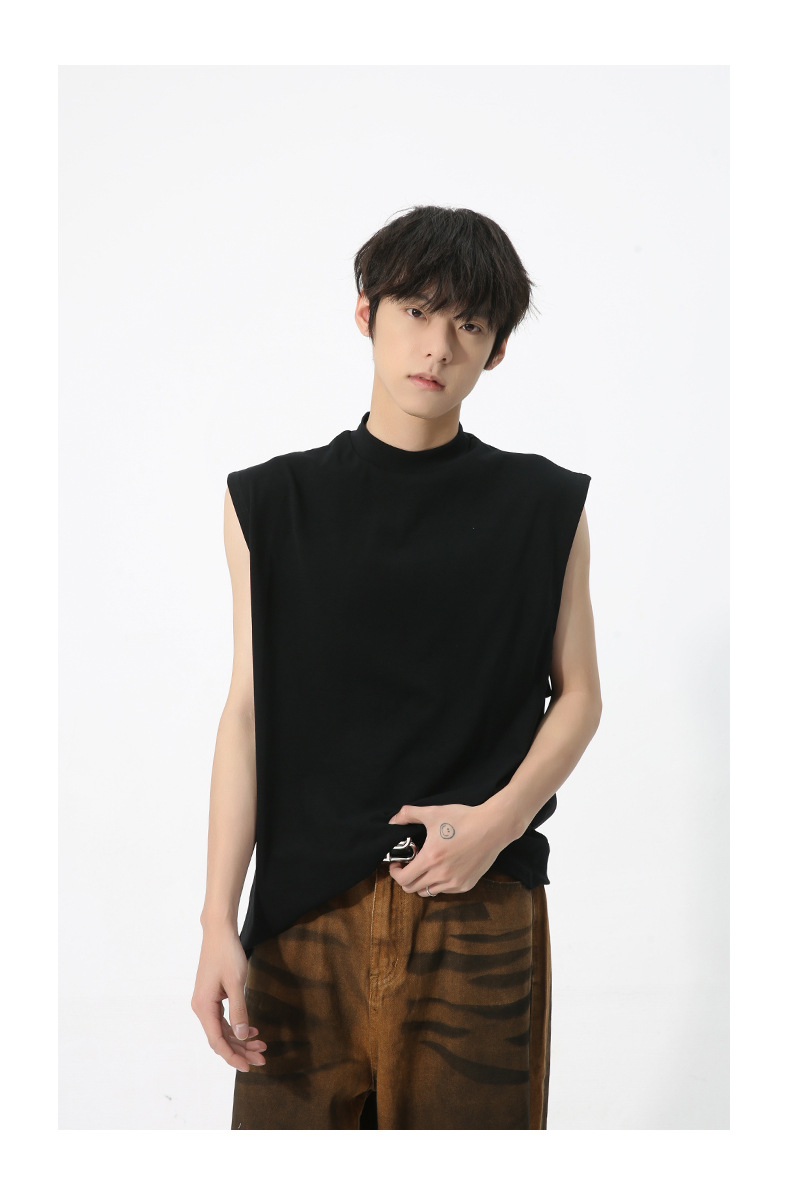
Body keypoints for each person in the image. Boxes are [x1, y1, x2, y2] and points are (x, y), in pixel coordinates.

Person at [191, 204, 602, 1130]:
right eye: (417, 310)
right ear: (365, 313)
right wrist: (218, 916)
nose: (438, 346)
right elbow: (248, 711)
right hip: (303, 918)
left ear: (496, 349)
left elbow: (579, 693)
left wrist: (498, 822)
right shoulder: (270, 503)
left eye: (470, 324)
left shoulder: (543, 506)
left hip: (478, 910)